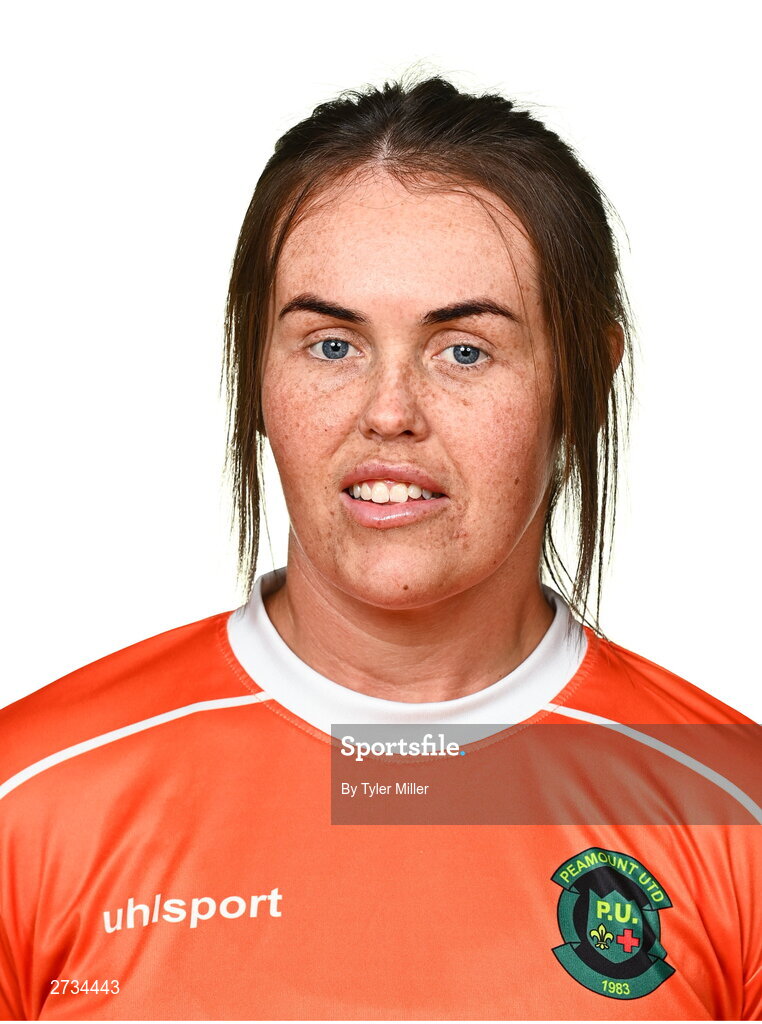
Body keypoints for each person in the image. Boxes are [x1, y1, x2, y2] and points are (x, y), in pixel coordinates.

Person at [0, 74, 759, 1022]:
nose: (389, 414)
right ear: (257, 372)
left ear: (585, 382)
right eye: (331, 345)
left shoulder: (737, 813)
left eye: (465, 350)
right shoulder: (25, 801)